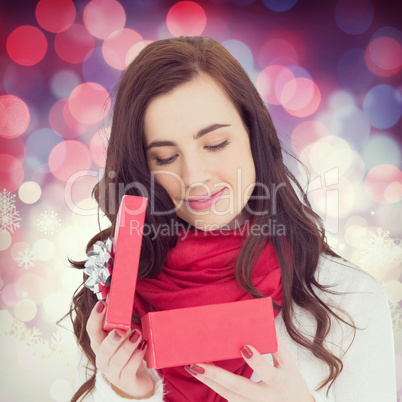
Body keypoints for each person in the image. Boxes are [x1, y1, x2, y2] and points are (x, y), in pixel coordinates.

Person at [68, 36, 396, 401]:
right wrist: (128, 394)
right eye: (164, 158)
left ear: (253, 135)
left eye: (215, 144)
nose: (194, 177)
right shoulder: (113, 310)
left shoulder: (351, 301)